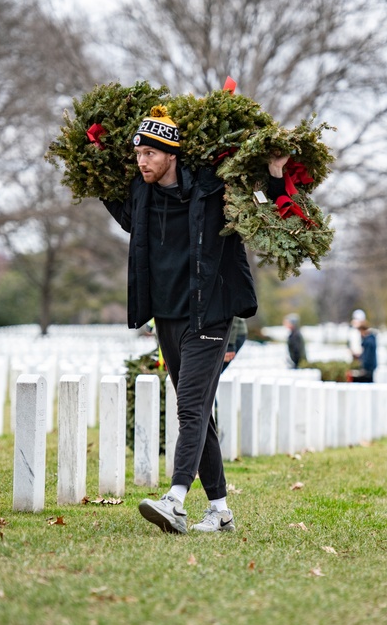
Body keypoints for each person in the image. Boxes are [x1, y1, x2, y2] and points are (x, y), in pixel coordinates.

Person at [102, 106, 288, 534]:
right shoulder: (141, 195)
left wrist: (275, 172)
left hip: (211, 311)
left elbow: (268, 217)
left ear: (171, 154)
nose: (142, 161)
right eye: (137, 155)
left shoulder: (213, 189)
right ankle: (220, 511)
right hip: (166, 315)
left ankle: (176, 499)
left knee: (189, 407)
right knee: (199, 410)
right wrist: (92, 163)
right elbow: (118, 207)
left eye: (150, 153)